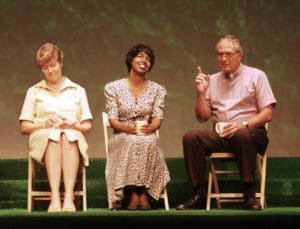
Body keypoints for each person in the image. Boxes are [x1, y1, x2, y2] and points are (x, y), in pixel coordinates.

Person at [176, 35, 277, 211]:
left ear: (240, 55)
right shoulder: (212, 80)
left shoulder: (256, 75)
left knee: (241, 135)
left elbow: (268, 113)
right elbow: (202, 117)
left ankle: (249, 194)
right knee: (191, 137)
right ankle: (199, 194)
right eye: (219, 54)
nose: (223, 58)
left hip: (251, 133)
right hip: (221, 135)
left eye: (228, 54)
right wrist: (200, 93)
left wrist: (243, 125)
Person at [19, 43, 93, 212]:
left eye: (53, 65)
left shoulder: (78, 90)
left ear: (61, 63)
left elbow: (87, 125)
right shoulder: (34, 91)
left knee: (67, 136)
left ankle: (68, 198)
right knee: (53, 137)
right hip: (42, 136)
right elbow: (24, 126)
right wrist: (43, 124)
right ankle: (54, 198)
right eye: (45, 68)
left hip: (72, 135)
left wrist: (74, 125)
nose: (50, 71)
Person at [104, 43, 170, 210]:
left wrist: (151, 128)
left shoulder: (157, 89)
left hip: (146, 134)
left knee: (148, 142)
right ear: (130, 60)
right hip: (122, 135)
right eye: (140, 56)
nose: (144, 60)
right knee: (133, 141)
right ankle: (135, 194)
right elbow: (113, 120)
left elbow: (157, 117)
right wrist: (129, 129)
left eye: (148, 59)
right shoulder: (113, 87)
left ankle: (142, 193)